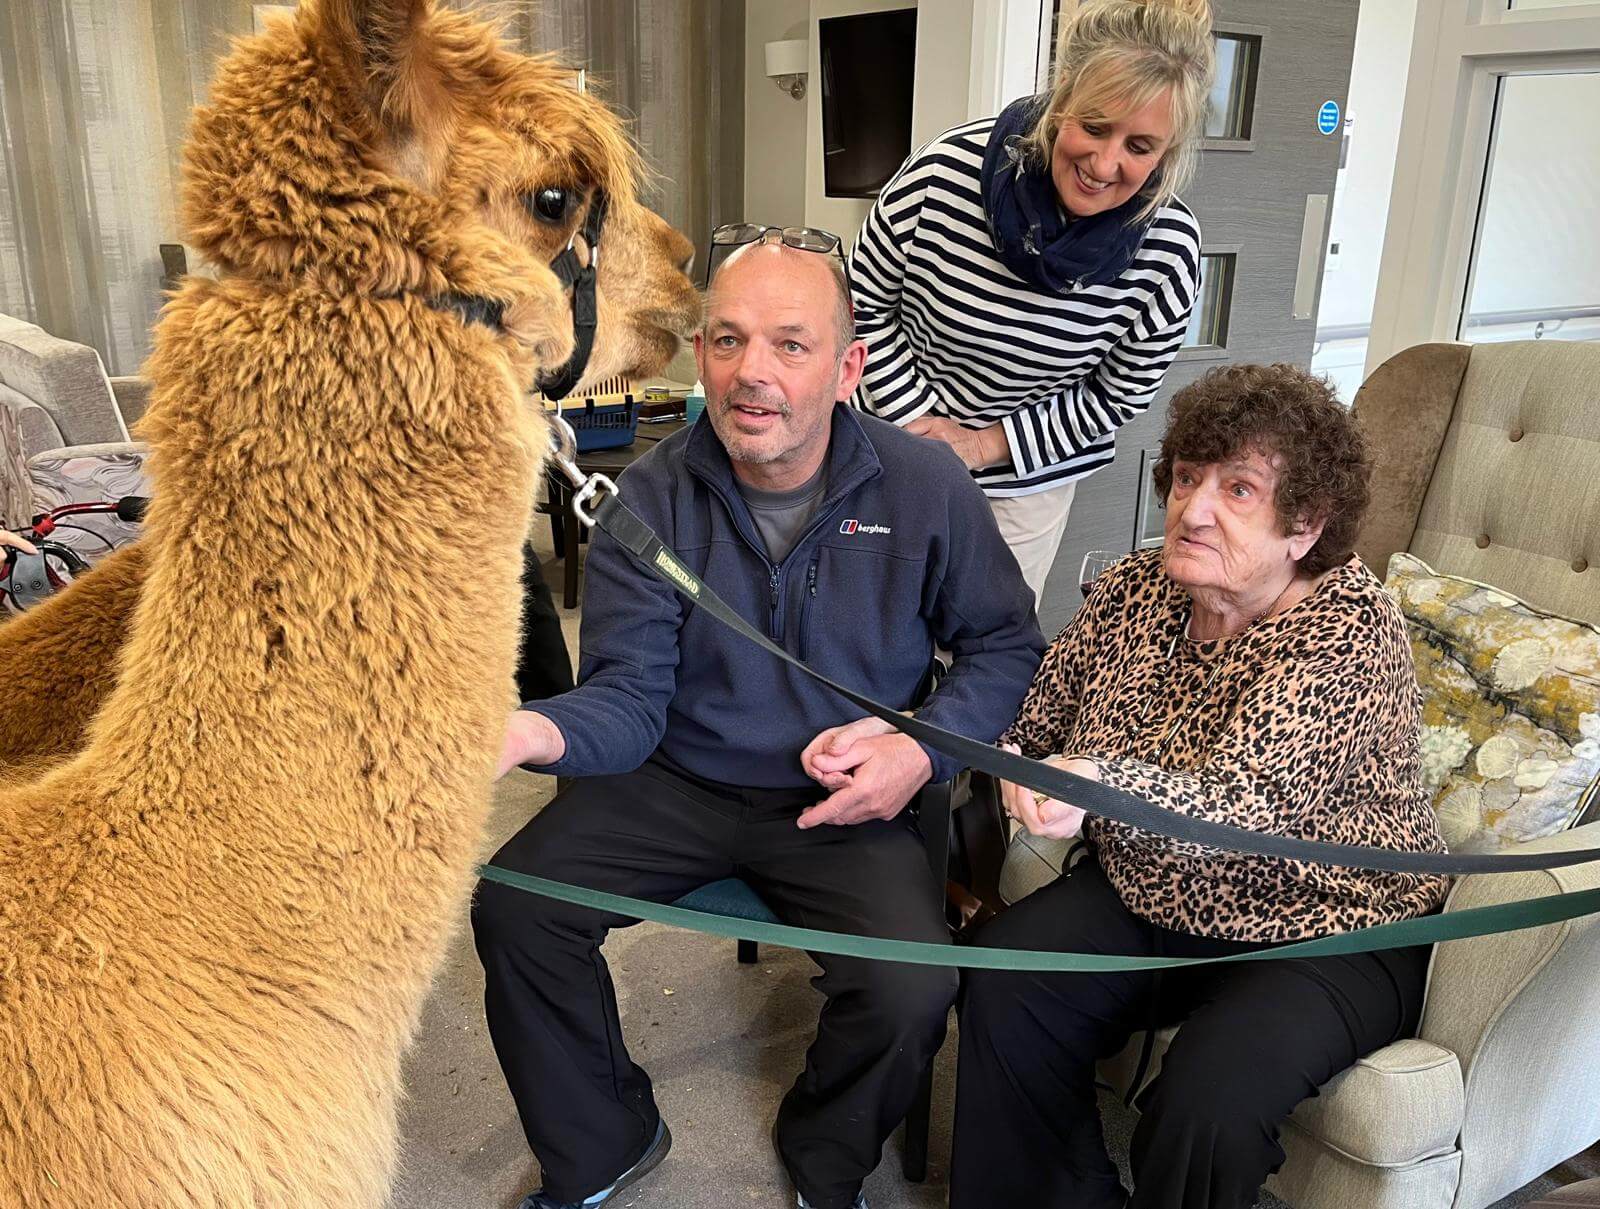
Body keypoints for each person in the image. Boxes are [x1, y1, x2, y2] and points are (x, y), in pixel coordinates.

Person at [474, 231, 1043, 1209]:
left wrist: (918, 749)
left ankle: (823, 1157)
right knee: (516, 909)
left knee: (911, 989)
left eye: (790, 344)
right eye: (729, 341)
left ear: (848, 366)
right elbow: (627, 698)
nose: (754, 374)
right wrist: (527, 732)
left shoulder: (925, 488)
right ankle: (605, 1138)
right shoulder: (644, 500)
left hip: (843, 795)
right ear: (701, 356)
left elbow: (1004, 651)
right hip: (676, 774)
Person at [948, 363, 1451, 1209]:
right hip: (1156, 889)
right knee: (1006, 979)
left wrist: (1099, 783)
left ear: (1305, 525)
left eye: (1239, 489)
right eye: (1187, 477)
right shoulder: (1136, 589)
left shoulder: (1349, 628)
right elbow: (1035, 723)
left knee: (1206, 1103)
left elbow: (1248, 808)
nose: (1195, 507)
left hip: (1328, 922)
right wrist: (1022, 778)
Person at [849, 0, 1213, 604]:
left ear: (1169, 151)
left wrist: (983, 445)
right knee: (861, 621)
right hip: (887, 442)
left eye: (1141, 146)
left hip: (1024, 481)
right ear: (1059, 98)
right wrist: (916, 428)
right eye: (1093, 127)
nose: (1104, 164)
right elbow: (860, 304)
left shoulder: (1169, 251)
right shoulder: (945, 173)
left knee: (985, 644)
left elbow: (1116, 394)